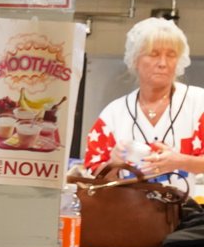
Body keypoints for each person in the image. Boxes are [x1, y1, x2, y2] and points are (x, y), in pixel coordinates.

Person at [84, 16, 204, 192]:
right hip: (129, 215)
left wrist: (179, 161)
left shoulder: (198, 104)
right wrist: (114, 163)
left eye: (171, 55)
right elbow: (96, 178)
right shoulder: (113, 115)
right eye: (153, 54)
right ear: (135, 60)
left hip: (185, 215)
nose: (163, 63)